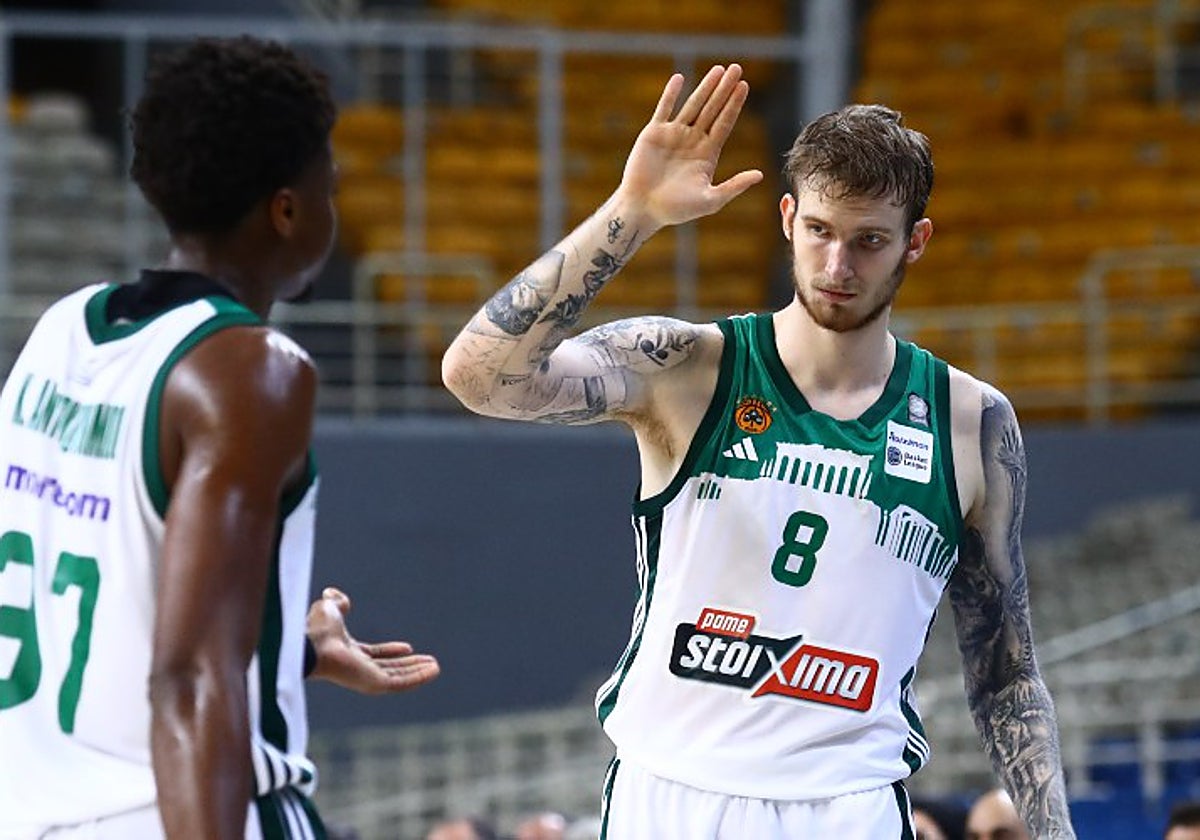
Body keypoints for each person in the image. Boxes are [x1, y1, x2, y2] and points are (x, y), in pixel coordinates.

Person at [441, 63, 1075, 837]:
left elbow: (1006, 674)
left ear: (916, 242)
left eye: (869, 241)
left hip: (848, 805)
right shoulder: (687, 368)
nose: (838, 267)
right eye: (820, 232)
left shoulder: (970, 422)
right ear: (786, 218)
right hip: (670, 793)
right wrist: (631, 212)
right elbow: (479, 374)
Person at [0, 36, 439, 839]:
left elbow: (100, 605)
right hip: (177, 813)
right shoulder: (251, 368)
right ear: (288, 208)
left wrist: (286, 655)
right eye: (328, 186)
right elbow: (191, 675)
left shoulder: (63, 331)